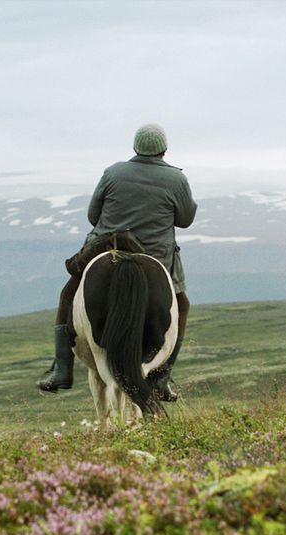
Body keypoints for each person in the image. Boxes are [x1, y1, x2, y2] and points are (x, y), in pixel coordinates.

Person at [37, 124, 197, 400]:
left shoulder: (112, 172)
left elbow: (92, 215)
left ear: (135, 148)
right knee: (181, 306)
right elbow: (185, 220)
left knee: (68, 294)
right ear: (164, 149)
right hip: (156, 254)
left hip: (106, 247)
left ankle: (62, 369)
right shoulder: (176, 179)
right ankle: (162, 377)